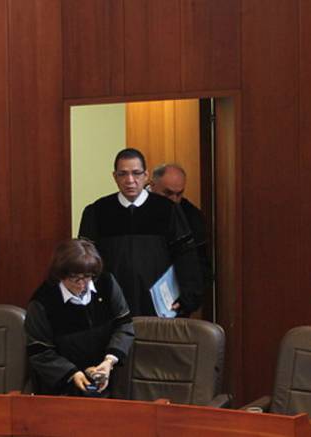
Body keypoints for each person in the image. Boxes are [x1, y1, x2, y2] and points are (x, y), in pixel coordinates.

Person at [79, 148, 203, 317]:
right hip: (111, 305)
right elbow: (85, 260)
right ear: (115, 177)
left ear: (146, 176)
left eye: (136, 173)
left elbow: (186, 257)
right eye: (123, 174)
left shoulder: (168, 210)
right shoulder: (97, 211)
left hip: (160, 307)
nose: (130, 180)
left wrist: (187, 299)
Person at [25, 239, 134, 396]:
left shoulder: (106, 284)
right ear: (60, 274)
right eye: (74, 278)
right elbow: (39, 351)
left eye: (87, 277)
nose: (82, 284)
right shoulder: (42, 302)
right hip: (62, 388)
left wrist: (109, 361)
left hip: (107, 377)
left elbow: (124, 324)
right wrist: (73, 373)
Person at [149, 163, 213, 292]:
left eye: (179, 194)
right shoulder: (133, 207)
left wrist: (189, 296)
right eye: (168, 193)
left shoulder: (191, 216)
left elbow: (199, 262)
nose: (174, 200)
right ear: (152, 185)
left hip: (176, 292)